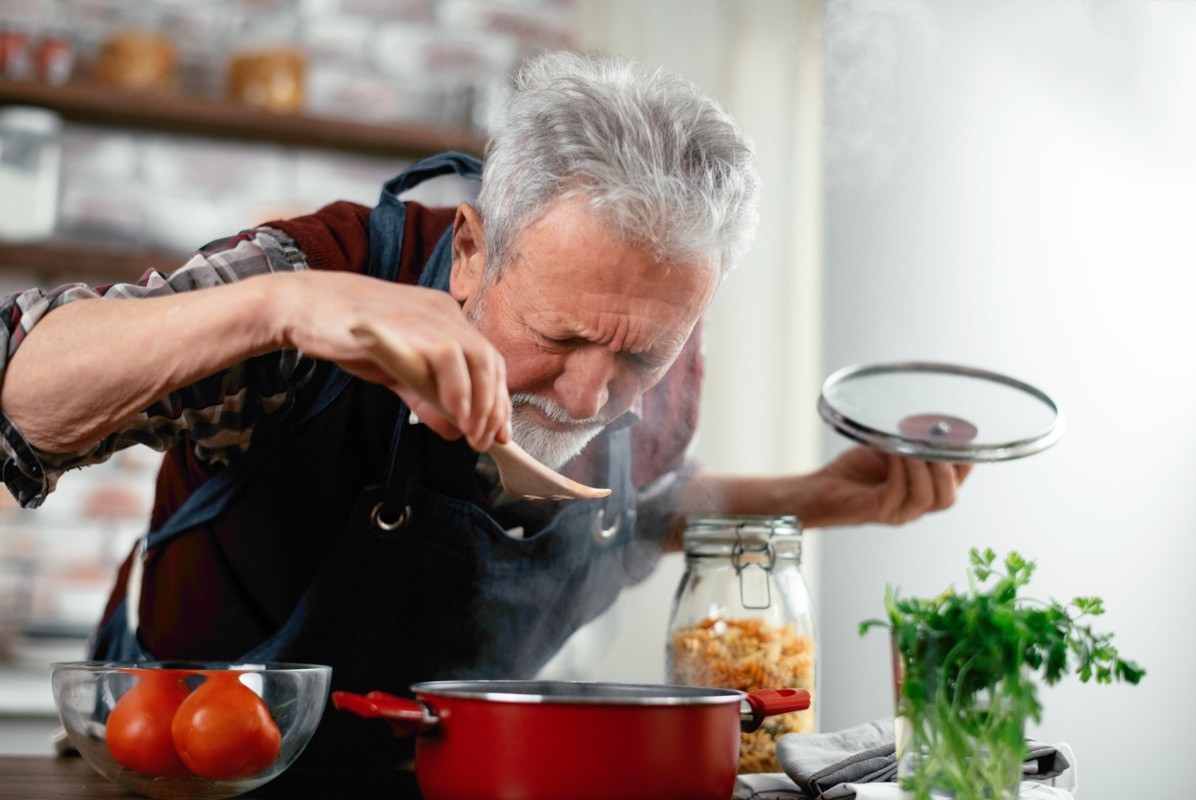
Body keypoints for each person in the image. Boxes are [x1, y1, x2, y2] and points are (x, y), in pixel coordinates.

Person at [0, 53, 968, 773]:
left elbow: (626, 512)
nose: (589, 395)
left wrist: (822, 496)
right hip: (189, 777)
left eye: (640, 352)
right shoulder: (317, 270)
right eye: (557, 333)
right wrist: (275, 312)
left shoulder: (666, 366)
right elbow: (21, 387)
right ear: (471, 250)